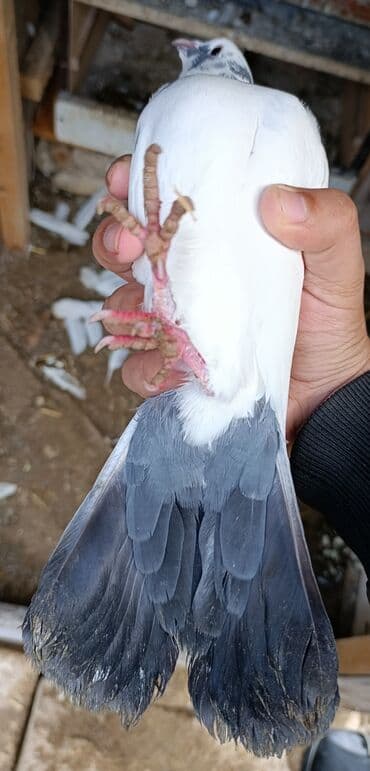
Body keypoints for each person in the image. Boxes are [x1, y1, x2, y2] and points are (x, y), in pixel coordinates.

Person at [93, 157, 370, 771]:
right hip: (253, 386)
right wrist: (337, 407)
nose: (191, 49)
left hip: (232, 381)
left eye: (209, 48)